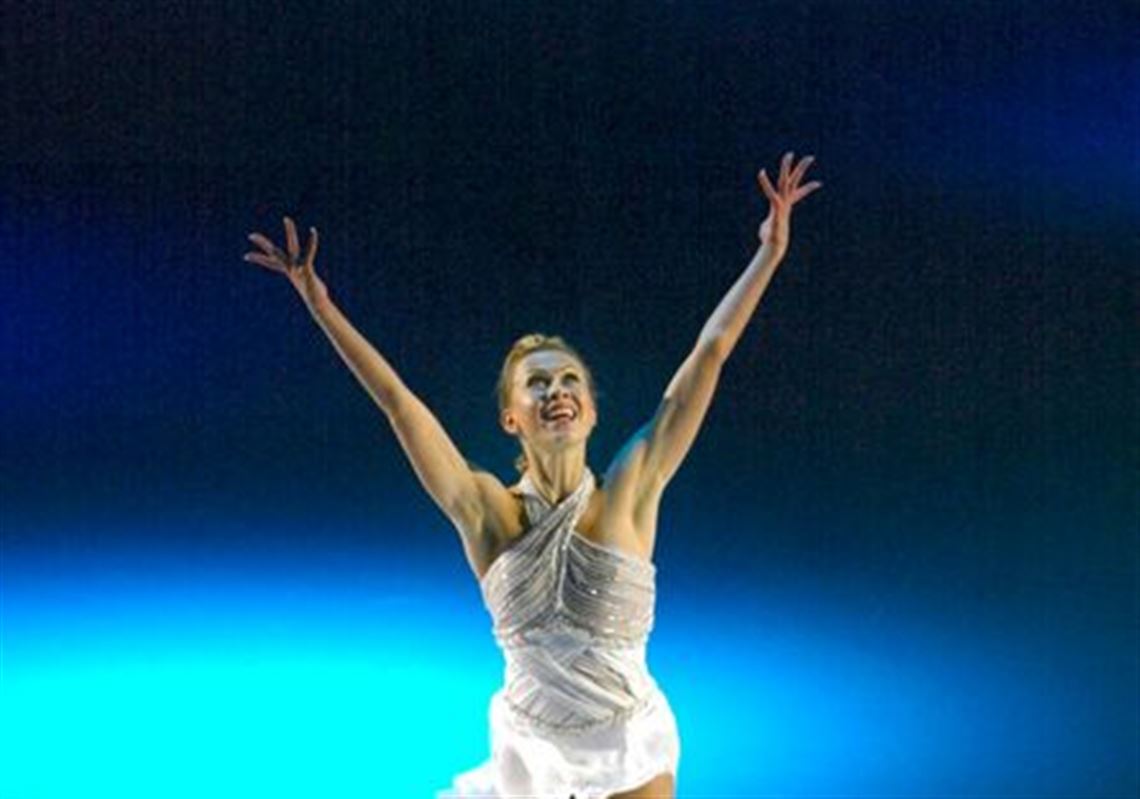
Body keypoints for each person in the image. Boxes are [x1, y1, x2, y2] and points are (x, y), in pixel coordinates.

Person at [244, 153, 821, 799]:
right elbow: (398, 403)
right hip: (529, 753)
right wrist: (321, 307)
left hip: (629, 743)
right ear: (511, 417)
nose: (556, 390)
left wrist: (769, 254)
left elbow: (708, 355)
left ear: (592, 409)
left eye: (570, 379)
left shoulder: (634, 489)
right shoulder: (487, 511)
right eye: (537, 383)